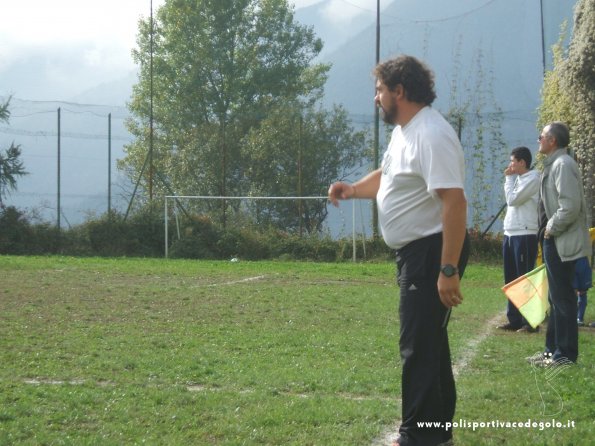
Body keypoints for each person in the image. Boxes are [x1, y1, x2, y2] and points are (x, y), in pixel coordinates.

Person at [328, 55, 469, 446]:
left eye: (379, 90)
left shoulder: (431, 134)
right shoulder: (406, 130)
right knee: (430, 344)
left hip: (430, 252)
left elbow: (454, 203)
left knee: (417, 347)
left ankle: (416, 438)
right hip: (418, 254)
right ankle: (436, 434)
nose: (376, 98)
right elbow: (389, 176)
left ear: (400, 91)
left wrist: (447, 268)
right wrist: (354, 189)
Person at [533, 122, 591, 365]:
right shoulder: (556, 163)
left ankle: (565, 354)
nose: (539, 139)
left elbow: (570, 206)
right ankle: (550, 353)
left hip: (559, 240)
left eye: (542, 136)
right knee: (556, 298)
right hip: (554, 239)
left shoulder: (563, 165)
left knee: (562, 298)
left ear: (552, 140)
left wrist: (550, 229)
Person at [498, 146, 540, 333]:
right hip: (510, 233)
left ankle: (530, 322)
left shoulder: (533, 178)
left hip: (525, 233)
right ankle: (514, 319)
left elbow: (513, 200)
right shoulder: (519, 179)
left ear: (522, 162)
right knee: (511, 279)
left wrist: (508, 179)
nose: (510, 165)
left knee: (524, 279)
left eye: (513, 161)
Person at [574, 256, 592, 326]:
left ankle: (579, 318)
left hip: (583, 258)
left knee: (582, 291)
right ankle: (572, 317)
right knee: (572, 291)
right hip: (568, 258)